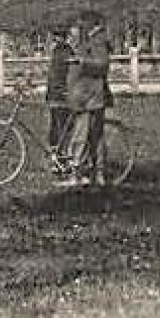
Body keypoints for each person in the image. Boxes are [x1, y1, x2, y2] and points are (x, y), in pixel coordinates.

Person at [61, 9, 113, 187]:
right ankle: (91, 173)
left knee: (86, 136)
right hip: (82, 95)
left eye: (80, 24)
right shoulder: (84, 41)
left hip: (92, 97)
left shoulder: (98, 41)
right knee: (86, 136)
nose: (78, 27)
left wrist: (81, 62)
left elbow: (102, 65)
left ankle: (85, 174)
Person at [45, 26, 73, 176]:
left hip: (62, 96)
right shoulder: (56, 52)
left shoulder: (66, 52)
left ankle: (64, 161)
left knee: (63, 129)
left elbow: (69, 74)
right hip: (54, 95)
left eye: (58, 36)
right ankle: (56, 161)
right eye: (55, 36)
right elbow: (52, 76)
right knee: (54, 129)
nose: (56, 40)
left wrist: (66, 90)